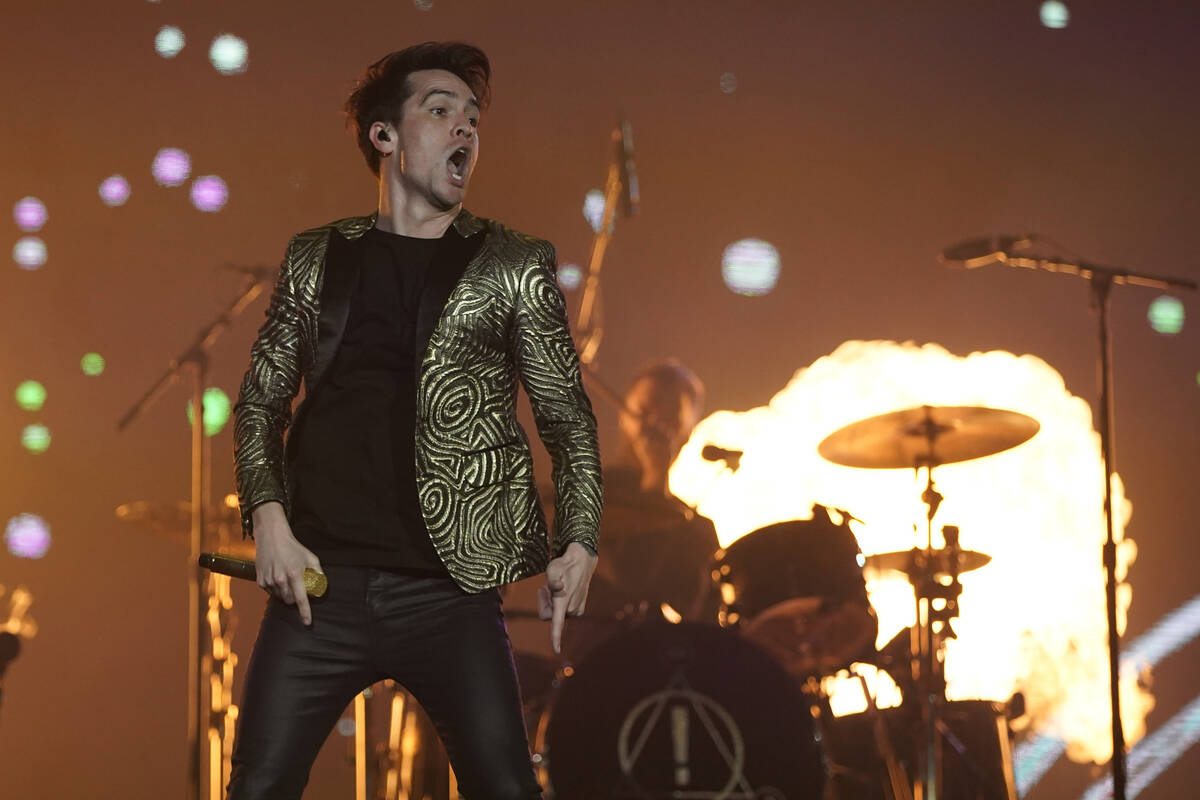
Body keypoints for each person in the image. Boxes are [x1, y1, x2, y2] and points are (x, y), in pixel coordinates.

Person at [228, 42, 601, 799]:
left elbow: (568, 415)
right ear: (385, 136)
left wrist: (582, 536)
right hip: (318, 590)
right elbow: (260, 401)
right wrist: (267, 520)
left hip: (448, 595)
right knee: (258, 787)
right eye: (440, 111)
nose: (465, 129)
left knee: (505, 787)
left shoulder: (513, 263)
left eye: (472, 118)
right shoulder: (316, 257)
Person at [584, 359, 718, 624]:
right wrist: (655, 482)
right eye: (646, 410)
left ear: (688, 432)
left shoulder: (698, 530)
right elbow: (632, 577)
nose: (655, 422)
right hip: (599, 654)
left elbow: (700, 618)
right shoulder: (589, 492)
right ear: (624, 416)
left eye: (670, 417)